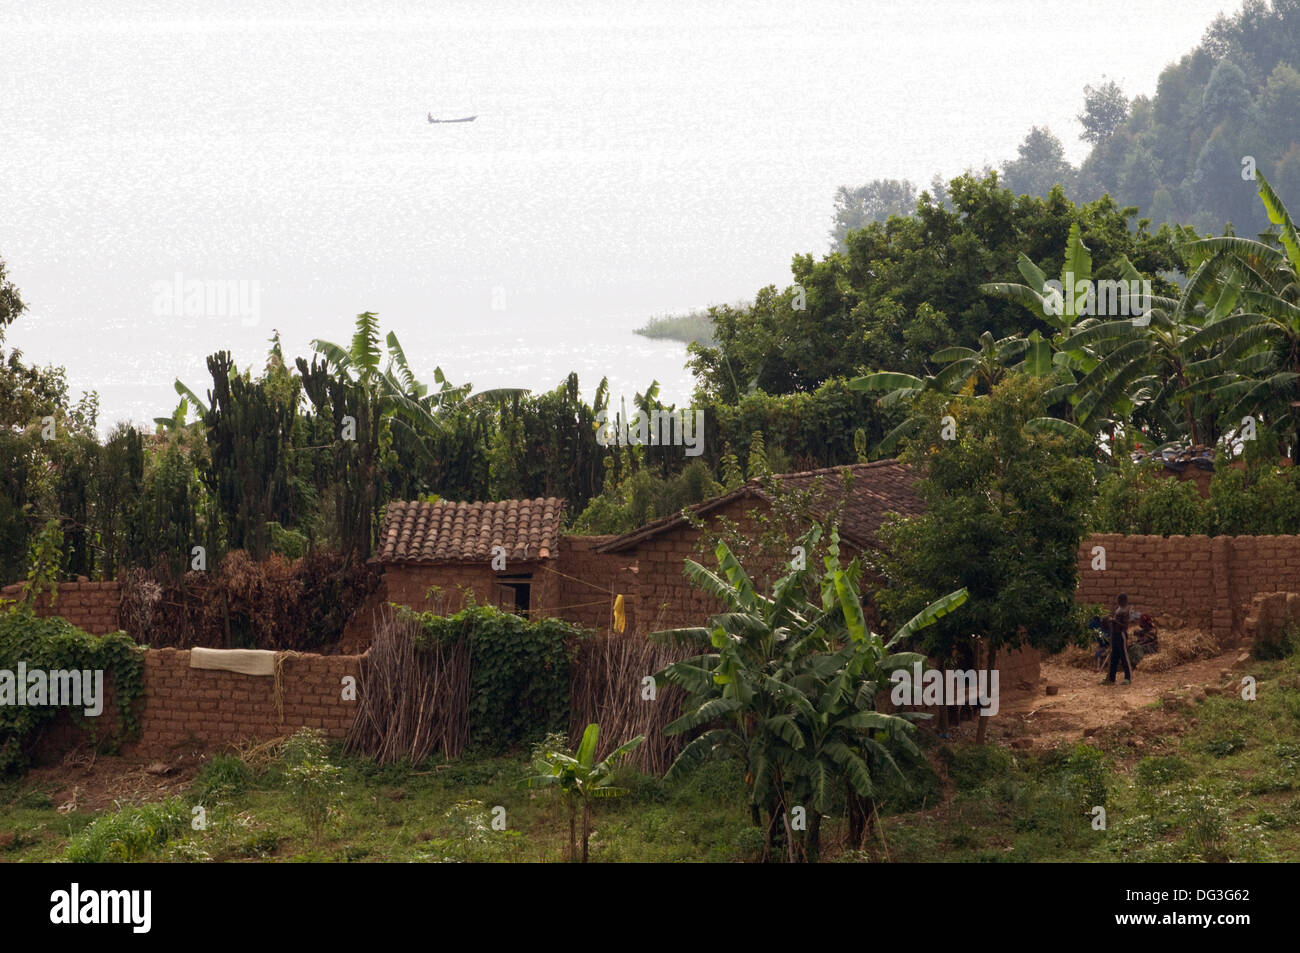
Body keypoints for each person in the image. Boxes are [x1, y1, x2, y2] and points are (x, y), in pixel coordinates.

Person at [1102, 593, 1132, 685]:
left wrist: (1115, 621)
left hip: (1121, 635)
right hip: (1115, 634)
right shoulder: (1119, 609)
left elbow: (1125, 626)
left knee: (1124, 656)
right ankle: (1111, 678)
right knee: (1114, 657)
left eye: (1119, 600)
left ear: (1123, 600)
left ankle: (1128, 677)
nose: (1117, 601)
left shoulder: (1125, 610)